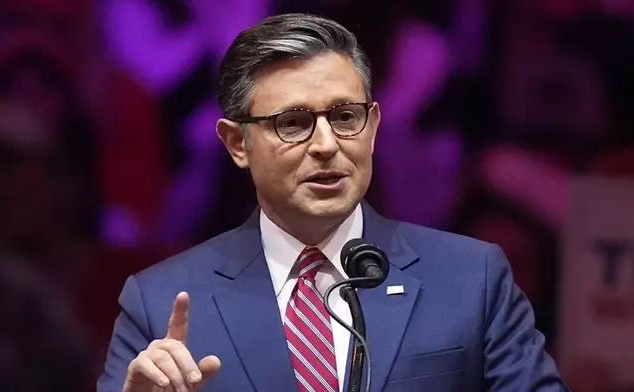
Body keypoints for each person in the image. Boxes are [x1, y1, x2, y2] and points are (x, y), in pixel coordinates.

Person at [97, 13, 568, 392]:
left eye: (345, 116)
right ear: (237, 143)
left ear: (374, 124)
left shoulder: (472, 278)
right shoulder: (160, 302)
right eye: (294, 123)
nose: (326, 144)